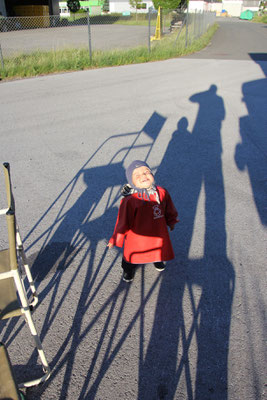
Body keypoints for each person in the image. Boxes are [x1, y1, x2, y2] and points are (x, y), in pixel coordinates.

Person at [107, 160, 179, 282]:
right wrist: (116, 238)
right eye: (137, 175)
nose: (144, 176)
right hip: (137, 235)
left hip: (158, 231)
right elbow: (122, 221)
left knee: (158, 248)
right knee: (132, 255)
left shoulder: (161, 192)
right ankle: (128, 269)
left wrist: (171, 220)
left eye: (146, 172)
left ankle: (157, 260)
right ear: (131, 181)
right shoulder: (130, 200)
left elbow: (169, 208)